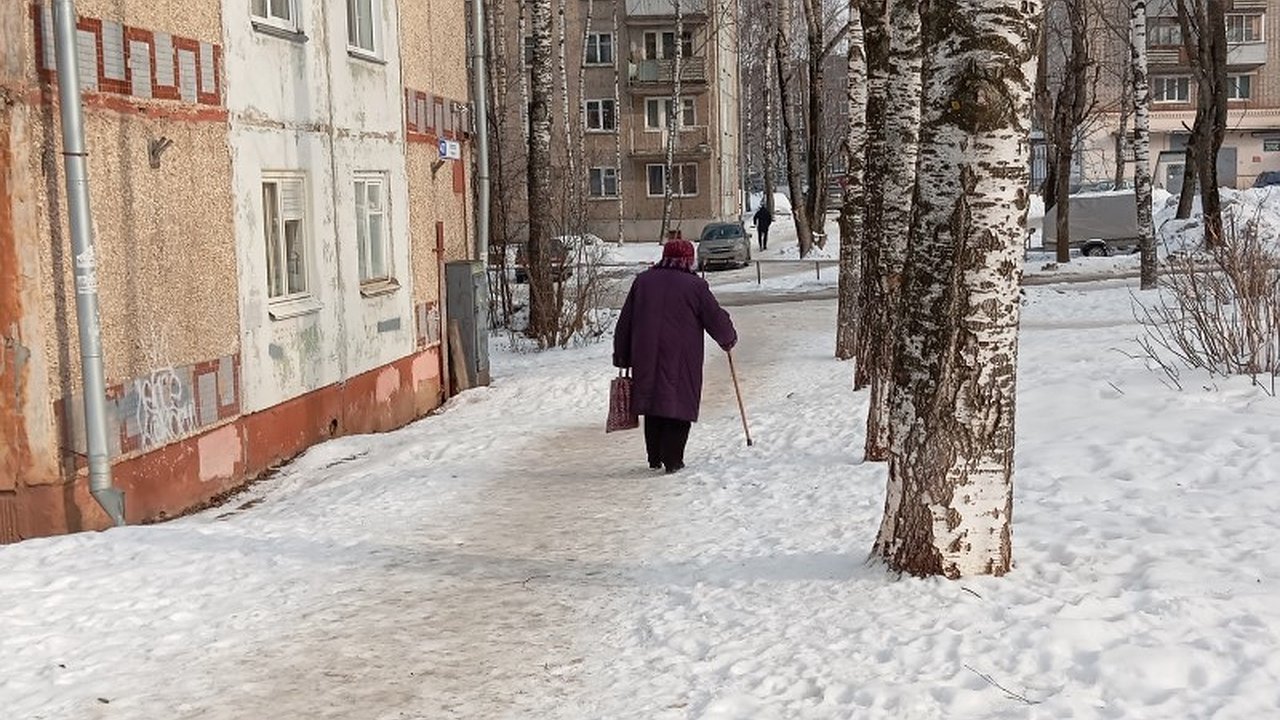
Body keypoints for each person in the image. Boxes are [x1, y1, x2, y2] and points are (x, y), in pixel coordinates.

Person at [613, 240, 737, 474]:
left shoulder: (643, 282)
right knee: (678, 404)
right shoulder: (695, 286)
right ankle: (673, 460)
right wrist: (727, 338)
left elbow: (625, 322)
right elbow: (715, 318)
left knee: (653, 402)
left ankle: (654, 457)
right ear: (689, 259)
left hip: (645, 355)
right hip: (682, 358)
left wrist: (622, 355)